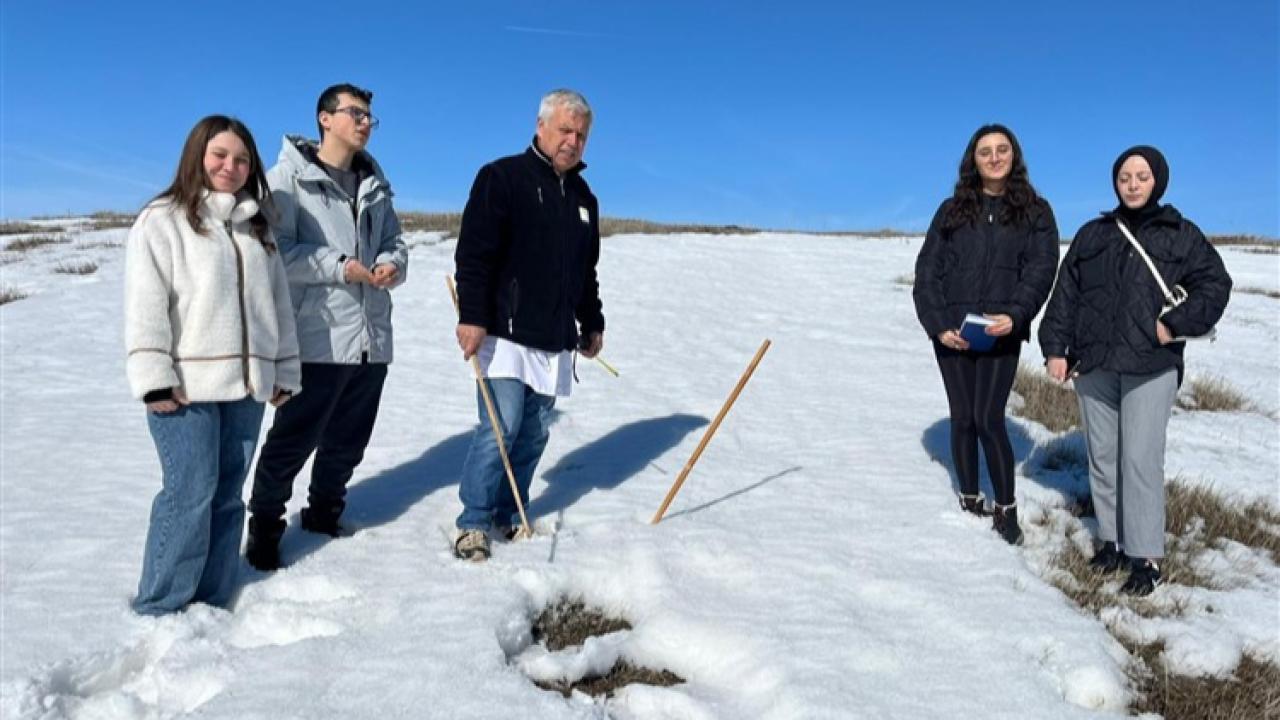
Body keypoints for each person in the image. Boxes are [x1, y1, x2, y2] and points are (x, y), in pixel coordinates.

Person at [125, 115, 300, 614]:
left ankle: (212, 600)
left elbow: (278, 308)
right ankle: (162, 605)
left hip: (248, 387)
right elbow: (146, 305)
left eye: (242, 158)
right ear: (197, 155)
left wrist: (284, 371)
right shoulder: (163, 220)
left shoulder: (257, 228)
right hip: (186, 387)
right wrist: (154, 378)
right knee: (188, 492)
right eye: (220, 155)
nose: (231, 166)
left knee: (227, 495)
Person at [1039, 145, 1230, 595]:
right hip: (1096, 364)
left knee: (1140, 460)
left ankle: (1145, 558)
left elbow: (1215, 285)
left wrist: (1174, 325)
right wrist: (1055, 347)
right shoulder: (1094, 235)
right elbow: (1065, 293)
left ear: (1157, 180)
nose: (1132, 184)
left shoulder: (1180, 233)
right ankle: (1111, 543)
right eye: (1125, 177)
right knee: (1102, 459)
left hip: (1150, 364)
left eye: (1142, 176)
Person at [245, 83, 408, 571]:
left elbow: (396, 241)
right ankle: (265, 528)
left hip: (370, 339)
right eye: (354, 114)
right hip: (316, 338)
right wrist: (339, 266)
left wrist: (391, 264)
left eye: (368, 117)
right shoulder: (286, 181)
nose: (364, 123)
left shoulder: (375, 183)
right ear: (324, 118)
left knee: (348, 442)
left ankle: (323, 513)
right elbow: (276, 253)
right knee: (292, 440)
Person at [451, 88, 606, 561]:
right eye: (564, 130)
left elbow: (585, 271)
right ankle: (473, 522)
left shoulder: (583, 198)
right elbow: (475, 254)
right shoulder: (503, 178)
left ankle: (508, 510)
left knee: (535, 431)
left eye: (580, 135)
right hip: (503, 332)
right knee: (501, 426)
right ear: (541, 127)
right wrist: (473, 316)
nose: (572, 141)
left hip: (553, 339)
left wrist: (591, 320)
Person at [913, 124, 1060, 545]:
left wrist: (1015, 315)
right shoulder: (951, 210)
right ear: (972, 161)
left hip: (1001, 332)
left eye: (1002, 150)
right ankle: (970, 497)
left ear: (1014, 156)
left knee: (988, 419)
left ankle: (1006, 508)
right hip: (954, 334)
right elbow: (928, 273)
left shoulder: (1035, 211)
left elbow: (1041, 269)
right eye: (985, 152)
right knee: (962, 418)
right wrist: (939, 325)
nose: (994, 158)